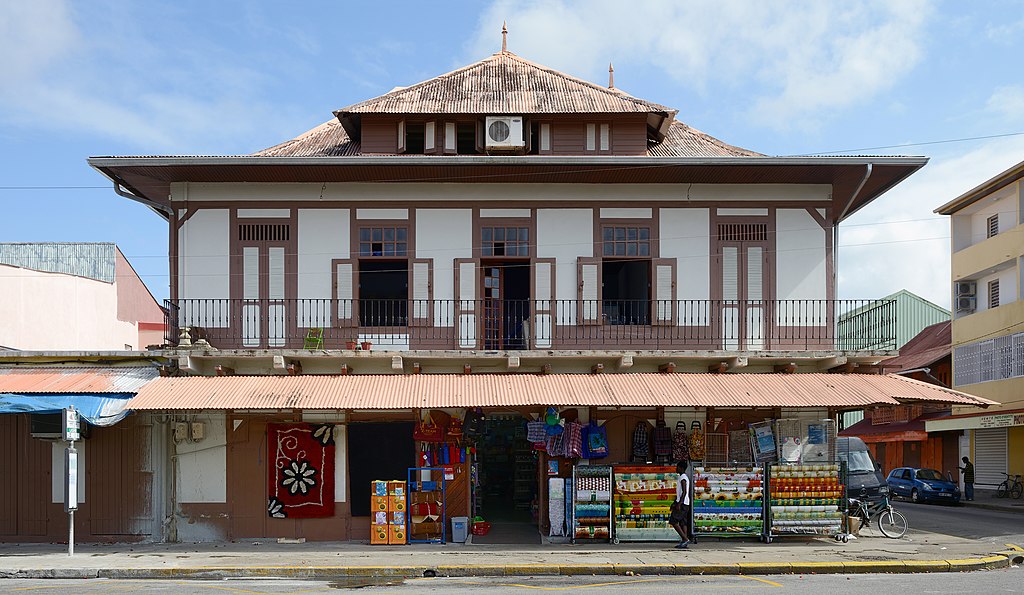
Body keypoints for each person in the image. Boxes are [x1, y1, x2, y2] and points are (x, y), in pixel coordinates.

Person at [669, 460, 691, 549]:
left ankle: (685, 539)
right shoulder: (682, 477)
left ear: (681, 468)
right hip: (685, 503)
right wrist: (675, 502)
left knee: (673, 521)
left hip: (683, 503)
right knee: (683, 522)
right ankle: (684, 541)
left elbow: (684, 491)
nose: (676, 469)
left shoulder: (683, 478)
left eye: (677, 467)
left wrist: (679, 503)